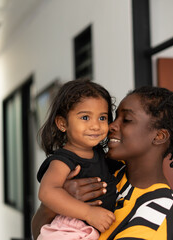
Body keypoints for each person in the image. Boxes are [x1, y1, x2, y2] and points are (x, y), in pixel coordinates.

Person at [32, 86, 173, 240]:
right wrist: (52, 206)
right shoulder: (108, 173)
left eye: (127, 120)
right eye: (114, 118)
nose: (111, 126)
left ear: (159, 136)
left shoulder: (158, 208)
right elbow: (40, 232)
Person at [35, 78, 120, 240]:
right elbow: (47, 192)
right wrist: (88, 212)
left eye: (102, 118)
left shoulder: (100, 154)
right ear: (62, 124)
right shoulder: (63, 160)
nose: (95, 125)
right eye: (85, 118)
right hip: (69, 230)